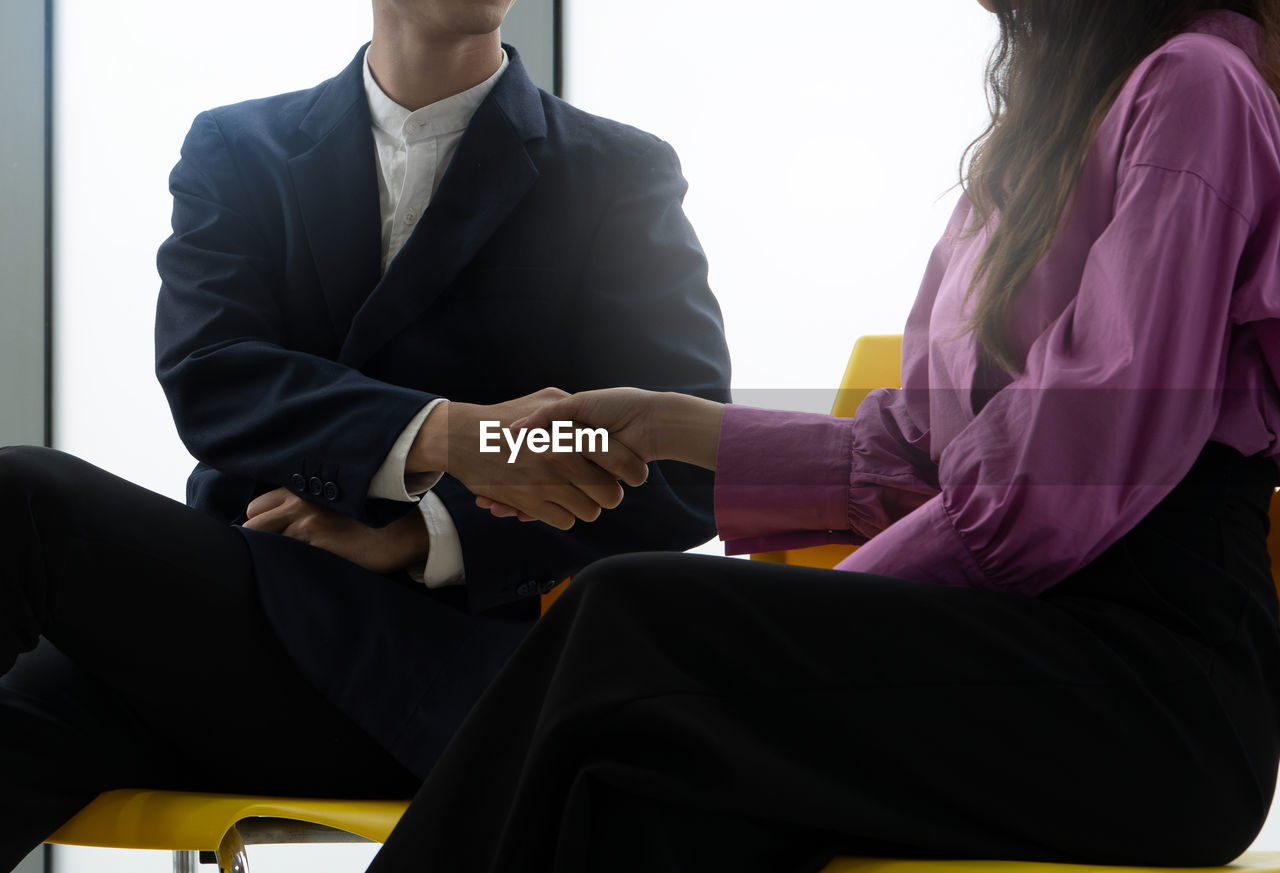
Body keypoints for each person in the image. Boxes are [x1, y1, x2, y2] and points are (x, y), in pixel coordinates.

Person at [358, 2, 1280, 872]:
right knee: (649, 798)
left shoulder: (1199, 86)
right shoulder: (1027, 146)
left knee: (630, 617)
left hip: (1153, 693)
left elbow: (1065, 475)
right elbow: (924, 451)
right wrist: (660, 422)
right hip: (1011, 655)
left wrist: (784, 624)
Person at [0, 0, 729, 866]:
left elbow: (686, 459)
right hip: (233, 617)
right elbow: (214, 371)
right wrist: (448, 435)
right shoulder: (238, 147)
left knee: (22, 497)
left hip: (441, 671)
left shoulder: (614, 170)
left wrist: (419, 535)